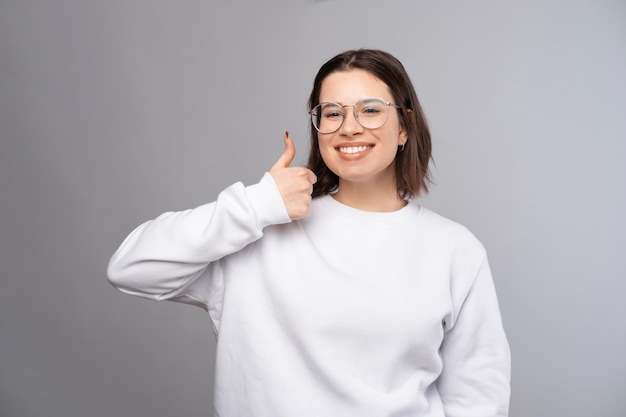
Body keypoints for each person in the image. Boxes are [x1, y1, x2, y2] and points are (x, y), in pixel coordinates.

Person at [107, 49, 511, 417]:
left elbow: (477, 399)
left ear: (405, 127)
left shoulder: (455, 250)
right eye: (331, 112)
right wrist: (256, 205)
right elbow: (131, 268)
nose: (348, 127)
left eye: (370, 110)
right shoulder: (258, 231)